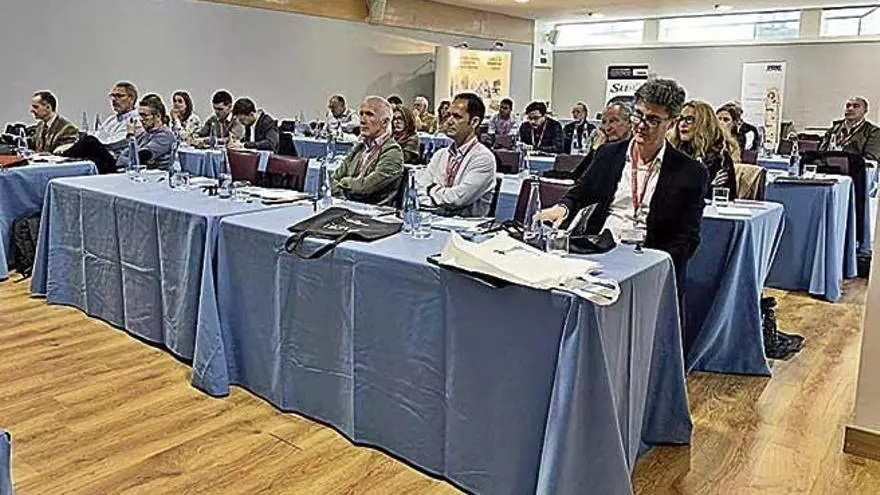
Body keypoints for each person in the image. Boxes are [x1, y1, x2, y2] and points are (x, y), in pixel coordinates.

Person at [537, 78, 708, 292]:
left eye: (653, 120)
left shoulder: (691, 172)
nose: (641, 125)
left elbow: (688, 237)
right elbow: (580, 193)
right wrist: (563, 207)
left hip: (651, 260)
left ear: (672, 122)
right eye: (638, 115)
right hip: (601, 254)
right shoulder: (607, 155)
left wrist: (658, 264)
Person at [415, 93, 496, 217]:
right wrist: (432, 203)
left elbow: (457, 199)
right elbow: (420, 188)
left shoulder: (484, 158)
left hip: (466, 226)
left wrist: (431, 190)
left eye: (457, 117)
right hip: (434, 219)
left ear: (474, 122)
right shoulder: (440, 155)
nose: (449, 121)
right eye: (449, 115)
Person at [331, 96, 404, 205]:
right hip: (346, 206)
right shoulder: (360, 148)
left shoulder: (393, 152)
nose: (362, 120)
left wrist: (343, 183)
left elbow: (364, 188)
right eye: (361, 114)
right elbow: (333, 179)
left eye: (369, 114)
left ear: (385, 122)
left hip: (373, 212)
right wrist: (343, 189)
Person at [62, 81, 140, 173]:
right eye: (113, 96)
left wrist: (94, 140)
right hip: (103, 155)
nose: (114, 100)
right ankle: (63, 160)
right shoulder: (111, 119)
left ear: (131, 98)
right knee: (86, 142)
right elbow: (98, 134)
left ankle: (63, 157)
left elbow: (115, 143)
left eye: (119, 96)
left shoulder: (136, 120)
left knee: (89, 141)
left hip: (117, 160)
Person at [544, 103, 634, 181]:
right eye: (604, 122)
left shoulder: (634, 151)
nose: (607, 127)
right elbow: (578, 176)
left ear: (630, 123)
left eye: (613, 121)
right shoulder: (604, 148)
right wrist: (595, 149)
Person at [670, 100, 739, 199]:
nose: (682, 124)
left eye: (689, 119)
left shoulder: (720, 158)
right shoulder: (673, 152)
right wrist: (708, 188)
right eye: (680, 119)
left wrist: (707, 189)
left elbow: (725, 195)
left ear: (704, 123)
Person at [116, 94, 175, 170]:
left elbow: (137, 160)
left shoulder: (165, 136)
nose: (141, 119)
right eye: (140, 115)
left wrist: (131, 135)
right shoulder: (144, 134)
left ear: (158, 116)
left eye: (144, 115)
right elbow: (123, 157)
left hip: (155, 175)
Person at [820, 97, 880, 161]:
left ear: (865, 111)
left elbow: (870, 158)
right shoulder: (833, 129)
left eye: (856, 106)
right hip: (828, 165)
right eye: (848, 106)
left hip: (855, 166)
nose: (850, 109)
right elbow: (820, 153)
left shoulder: (873, 131)